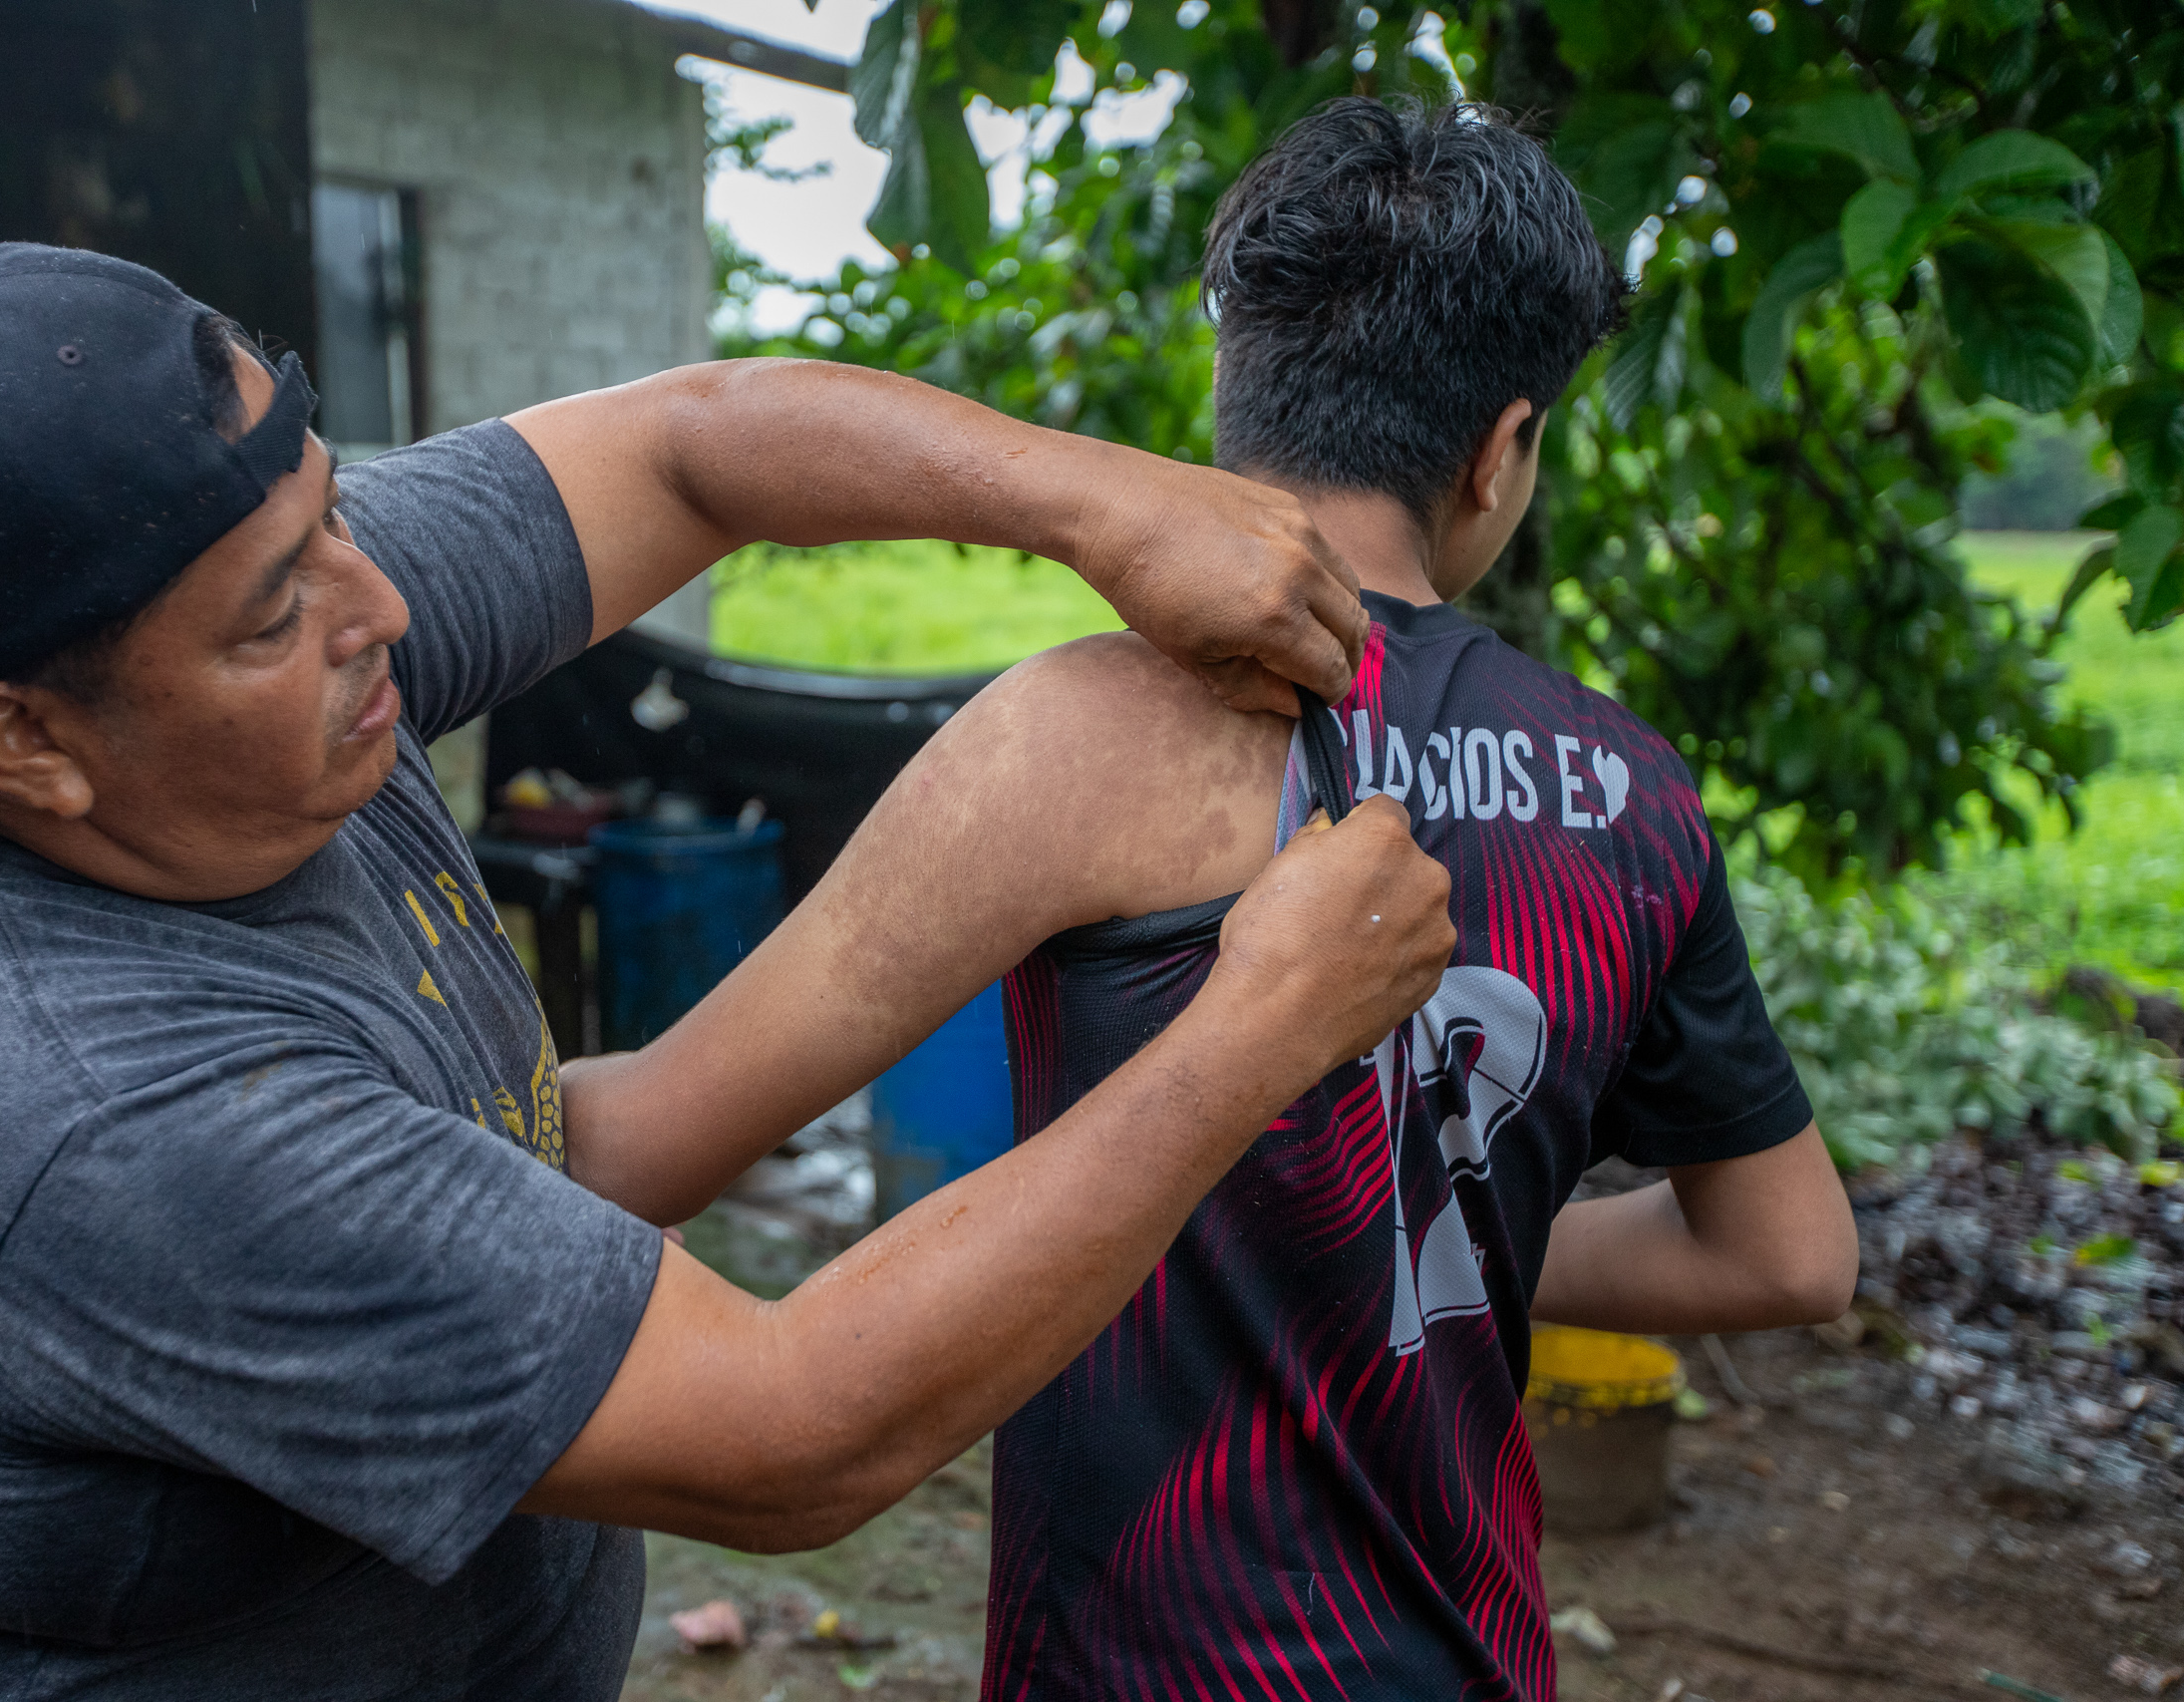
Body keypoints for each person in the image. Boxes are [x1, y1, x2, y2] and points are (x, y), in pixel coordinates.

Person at [0, 241, 1457, 1699]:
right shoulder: (88, 1111)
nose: (380, 608)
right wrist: (1256, 1031)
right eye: (280, 610)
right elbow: (791, 1436)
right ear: (24, 742)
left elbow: (691, 452)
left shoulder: (254, 629)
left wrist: (1100, 501)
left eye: (337, 516)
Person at [564, 99, 1860, 1700]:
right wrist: (1458, 1234)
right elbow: (1789, 1255)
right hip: (1469, 1656)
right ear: (1502, 447)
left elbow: (633, 1144)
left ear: (1234, 383)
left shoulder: (1086, 732)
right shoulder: (1634, 792)